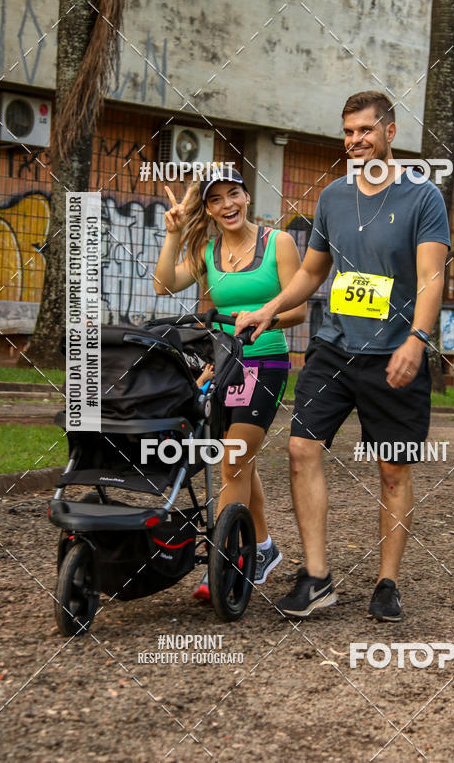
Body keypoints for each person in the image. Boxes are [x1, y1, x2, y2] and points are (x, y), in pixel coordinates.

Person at [236, 90, 450, 621]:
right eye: (349, 132)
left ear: (390, 132)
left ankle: (387, 582)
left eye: (365, 131)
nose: (355, 141)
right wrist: (269, 308)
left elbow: (431, 279)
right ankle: (316, 578)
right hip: (333, 348)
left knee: (393, 471)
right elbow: (312, 272)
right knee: (301, 449)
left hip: (394, 352)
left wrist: (415, 341)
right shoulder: (331, 196)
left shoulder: (423, 198)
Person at [153, 166, 307, 594]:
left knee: (234, 458)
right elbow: (164, 285)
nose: (228, 205)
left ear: (247, 196)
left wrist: (263, 316)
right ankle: (262, 547)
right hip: (221, 366)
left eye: (234, 194)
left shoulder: (280, 242)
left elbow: (298, 310)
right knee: (240, 461)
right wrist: (173, 233)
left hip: (266, 362)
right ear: (207, 208)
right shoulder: (207, 250)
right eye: (216, 199)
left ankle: (223, 564)